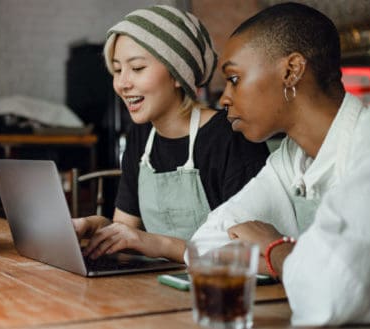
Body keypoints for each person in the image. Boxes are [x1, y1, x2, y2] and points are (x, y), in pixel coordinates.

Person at [191, 3, 370, 324]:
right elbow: (205, 243)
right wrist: (303, 263)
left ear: (291, 71)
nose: (223, 99)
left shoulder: (365, 149)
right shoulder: (291, 158)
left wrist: (274, 250)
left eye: (234, 78)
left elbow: (328, 296)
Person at [73, 5, 269, 262]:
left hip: (220, 291)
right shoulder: (141, 136)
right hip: (155, 288)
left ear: (179, 74)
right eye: (118, 69)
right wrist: (96, 226)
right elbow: (127, 232)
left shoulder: (231, 138)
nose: (122, 83)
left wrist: (160, 244)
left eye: (138, 68)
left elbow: (250, 253)